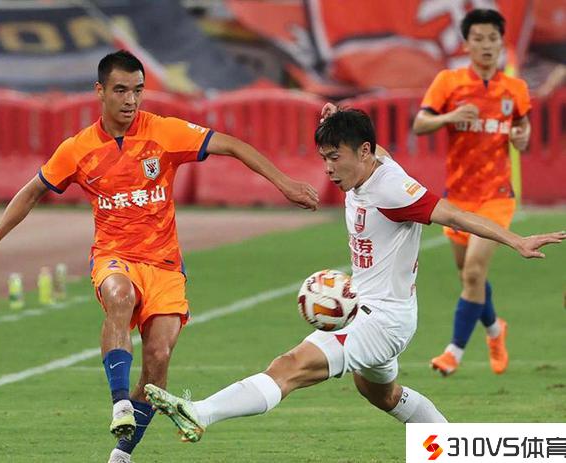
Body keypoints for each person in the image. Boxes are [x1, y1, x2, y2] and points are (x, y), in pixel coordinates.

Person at [0, 50, 318, 463]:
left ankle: (121, 454)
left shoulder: (164, 132)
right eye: (120, 90)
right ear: (100, 91)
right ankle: (119, 403)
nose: (130, 100)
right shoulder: (77, 149)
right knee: (120, 296)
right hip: (114, 256)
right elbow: (32, 191)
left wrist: (284, 183)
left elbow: (232, 145)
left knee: (158, 361)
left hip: (164, 265)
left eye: (138, 90)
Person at [144, 108, 564, 449]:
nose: (328, 169)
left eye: (335, 157)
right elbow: (372, 146)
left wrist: (515, 240)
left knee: (289, 367)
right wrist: (338, 115)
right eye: (324, 158)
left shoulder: (394, 190)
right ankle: (455, 449)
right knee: (383, 395)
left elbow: (454, 215)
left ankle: (201, 412)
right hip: (371, 311)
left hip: (382, 320)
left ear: (363, 152)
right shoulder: (368, 163)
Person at [412, 9, 532, 376]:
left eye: (492, 38)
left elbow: (523, 131)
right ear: (466, 44)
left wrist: (521, 138)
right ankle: (495, 329)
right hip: (459, 198)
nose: (486, 45)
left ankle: (453, 352)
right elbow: (420, 123)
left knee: (475, 271)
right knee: (469, 275)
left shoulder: (515, 89)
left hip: (496, 196)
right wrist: (449, 118)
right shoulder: (449, 82)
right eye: (478, 39)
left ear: (501, 43)